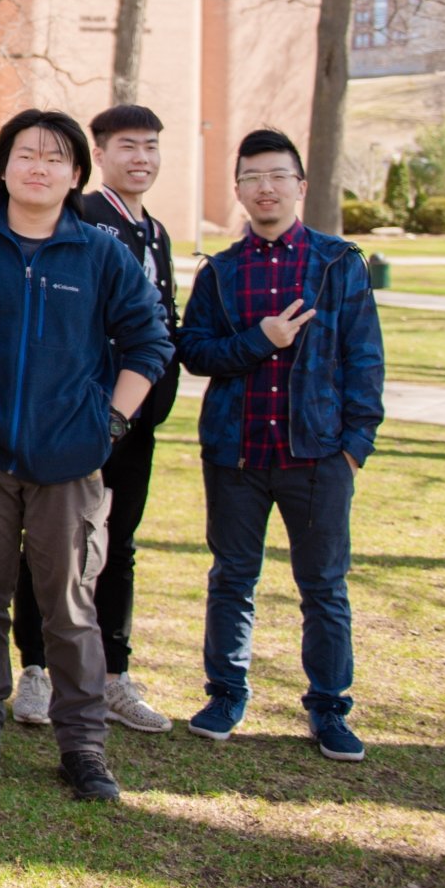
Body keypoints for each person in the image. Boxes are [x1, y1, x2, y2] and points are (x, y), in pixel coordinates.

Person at [0, 108, 171, 804]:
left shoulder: (101, 254)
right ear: (3, 166)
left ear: (77, 174)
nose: (39, 167)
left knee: (70, 604)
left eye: (55, 157)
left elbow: (149, 342)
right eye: (26, 154)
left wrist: (111, 421)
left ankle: (83, 744)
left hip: (69, 457)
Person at [175, 128, 383, 763]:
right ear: (238, 190)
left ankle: (329, 707)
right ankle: (226, 693)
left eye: (277, 176)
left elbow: (364, 358)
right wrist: (260, 339)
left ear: (299, 185)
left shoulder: (338, 263)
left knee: (323, 585)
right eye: (251, 178)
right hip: (236, 455)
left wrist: (353, 446)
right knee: (232, 577)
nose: (265, 188)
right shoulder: (221, 271)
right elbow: (195, 353)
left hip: (317, 457)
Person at [4, 104, 182, 734]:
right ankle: (36, 670)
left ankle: (114, 674)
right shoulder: (83, 217)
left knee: (117, 547)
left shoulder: (151, 228)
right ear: (97, 157)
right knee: (50, 547)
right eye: (128, 145)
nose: (142, 157)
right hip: (77, 417)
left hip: (135, 419)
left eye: (152, 146)